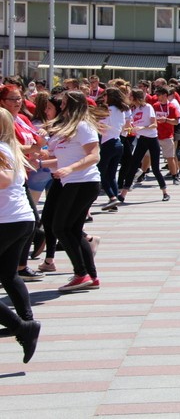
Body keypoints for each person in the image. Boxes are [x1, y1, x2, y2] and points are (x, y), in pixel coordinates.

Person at [39, 91, 102, 292]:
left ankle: (81, 273)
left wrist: (70, 169)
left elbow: (94, 156)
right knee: (72, 230)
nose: (61, 106)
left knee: (60, 227)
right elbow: (63, 159)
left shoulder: (83, 126)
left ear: (73, 106)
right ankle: (90, 276)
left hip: (84, 182)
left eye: (65, 103)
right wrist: (39, 163)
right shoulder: (68, 128)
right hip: (73, 182)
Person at [0, 109, 41, 363]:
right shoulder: (9, 147)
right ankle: (26, 322)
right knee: (7, 274)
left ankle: (21, 326)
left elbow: (4, 180)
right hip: (19, 218)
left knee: (8, 274)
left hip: (8, 220)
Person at [119, 90, 170, 202]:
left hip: (152, 139)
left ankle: (165, 192)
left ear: (135, 97)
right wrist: (129, 129)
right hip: (141, 140)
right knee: (133, 166)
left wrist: (142, 128)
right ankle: (123, 195)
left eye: (131, 96)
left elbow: (154, 124)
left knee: (156, 168)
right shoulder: (134, 110)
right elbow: (133, 125)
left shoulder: (148, 107)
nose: (129, 97)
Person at [96, 87, 129, 211]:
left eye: (105, 95)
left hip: (108, 143)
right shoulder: (121, 110)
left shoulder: (109, 110)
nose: (103, 98)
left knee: (100, 172)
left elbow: (102, 126)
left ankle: (112, 197)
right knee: (111, 174)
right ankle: (114, 201)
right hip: (118, 143)